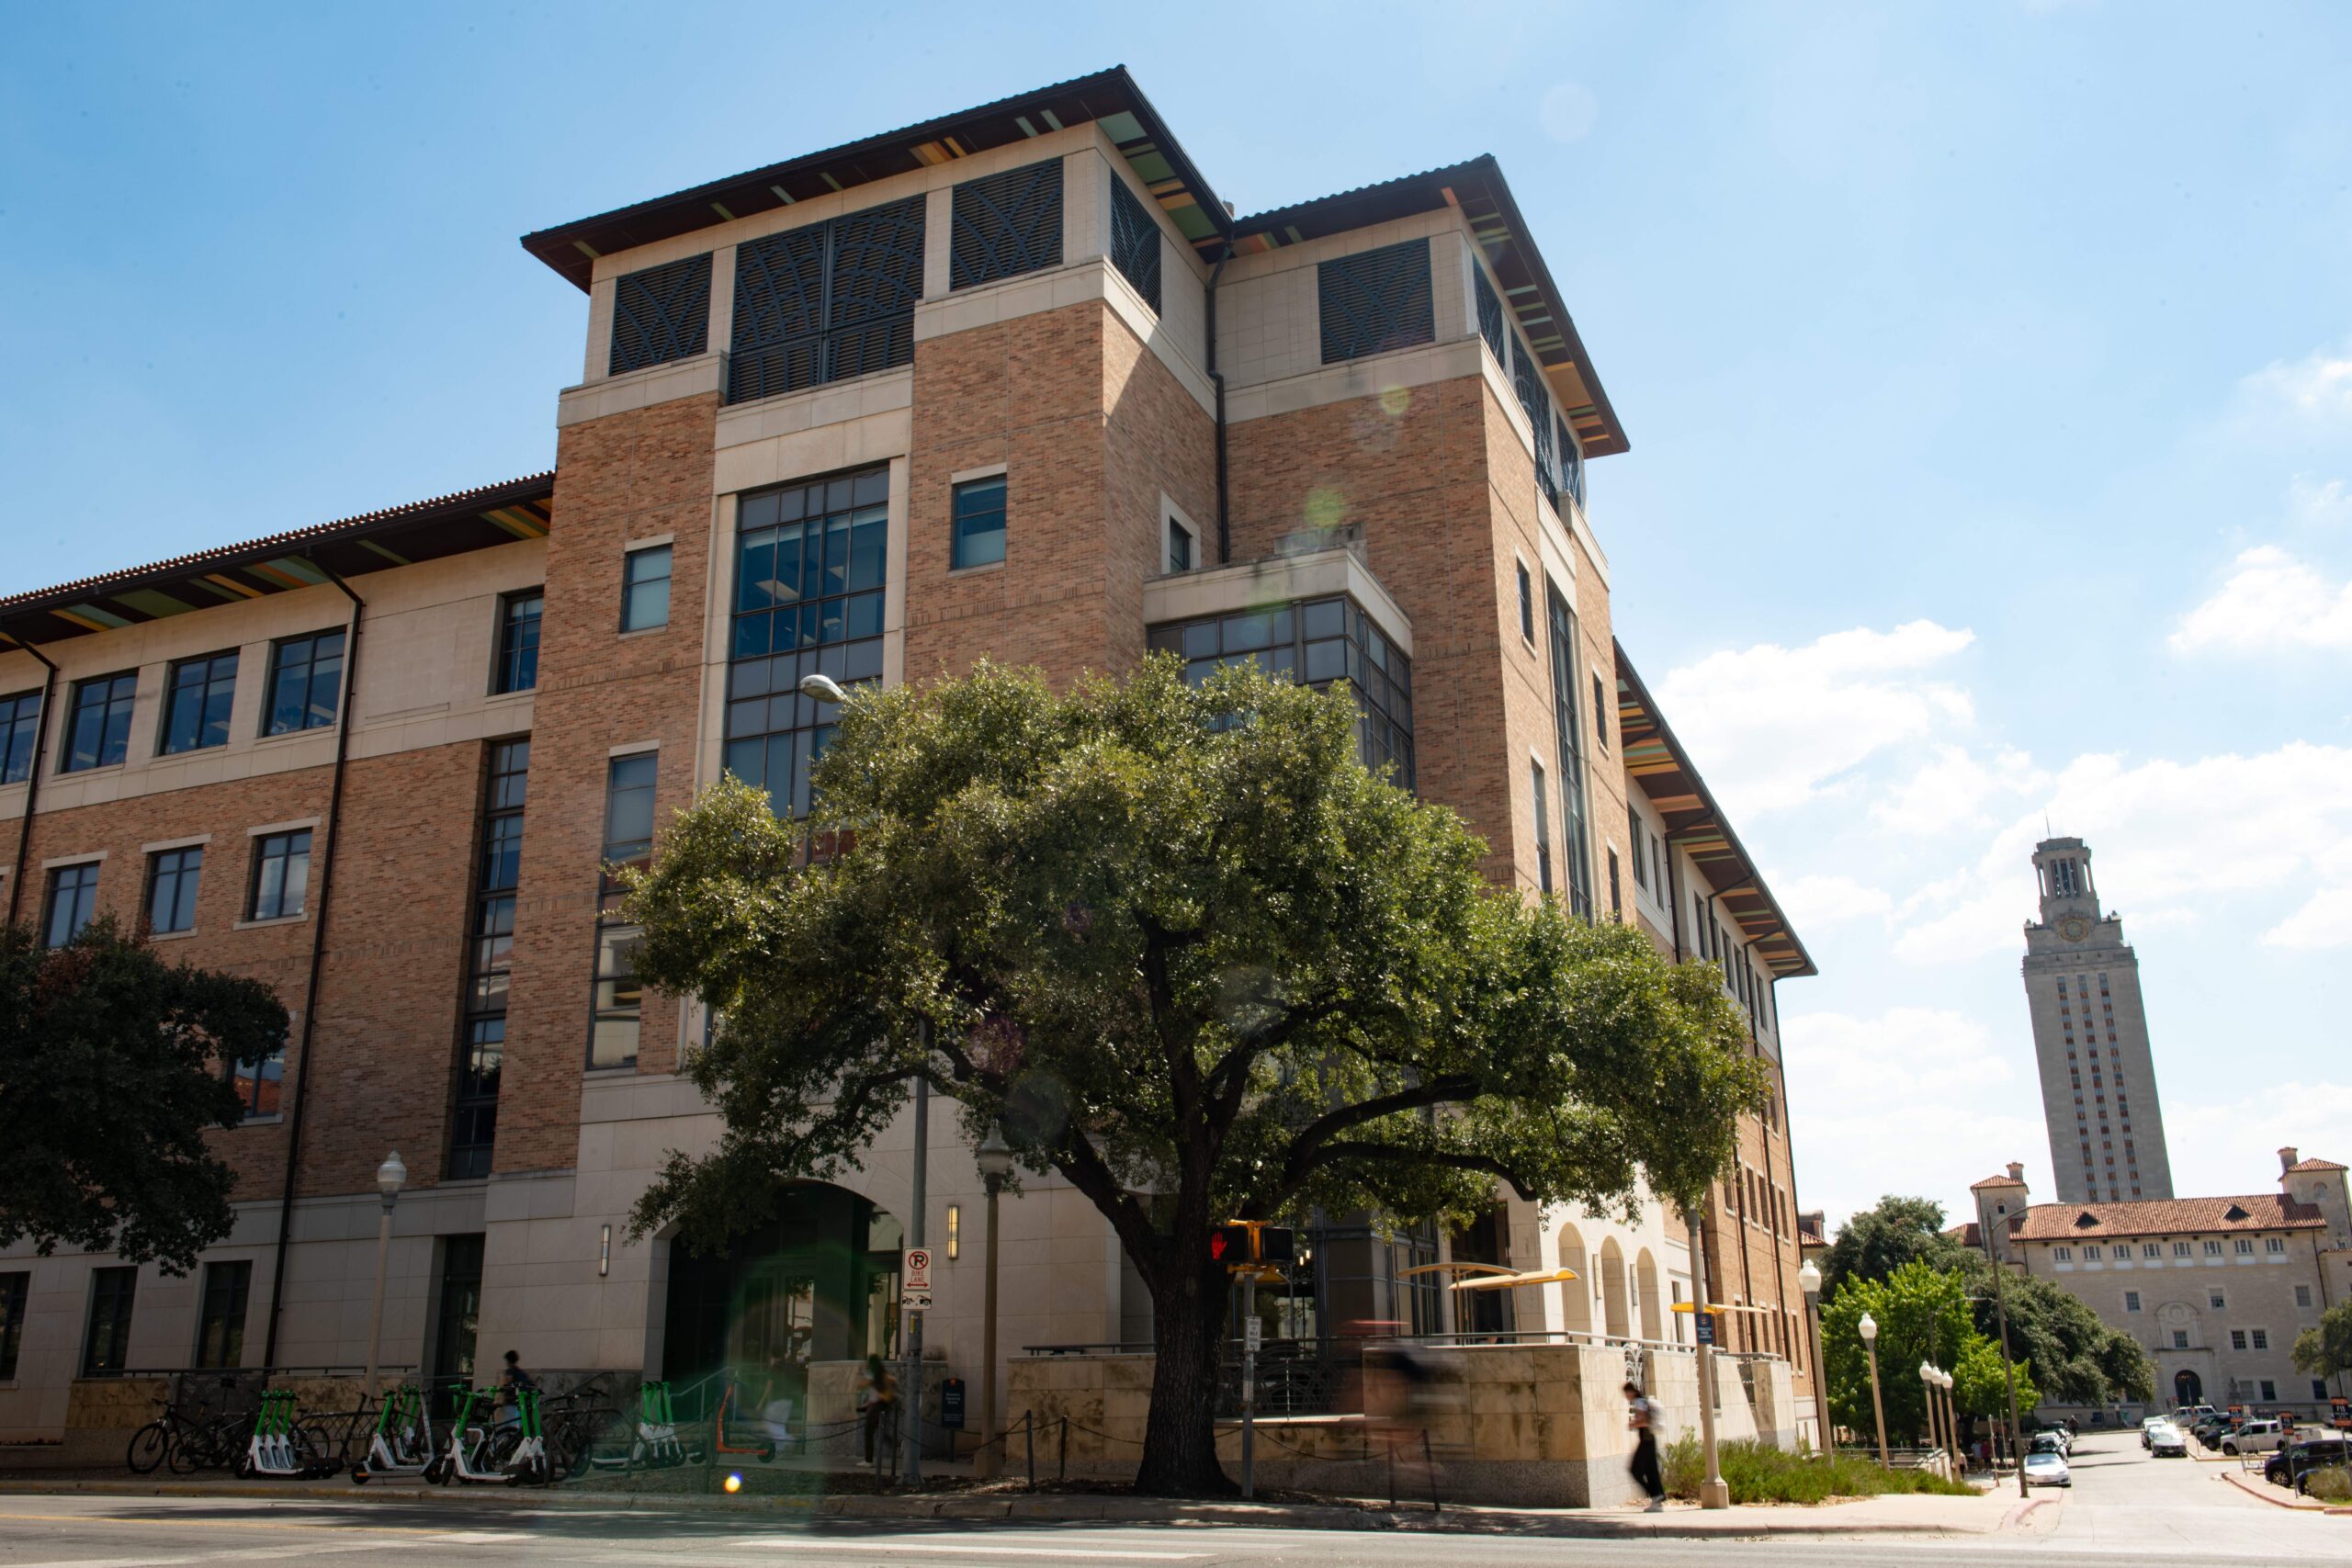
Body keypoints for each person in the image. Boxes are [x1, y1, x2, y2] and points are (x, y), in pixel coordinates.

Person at [1624, 1380, 1666, 1511]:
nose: (1626, 1397)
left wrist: (1632, 1424)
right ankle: (1657, 1500)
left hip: (1646, 1440)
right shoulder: (1642, 1400)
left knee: (1635, 1470)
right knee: (1651, 1470)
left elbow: (1644, 1421)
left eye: (1626, 1393)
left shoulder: (1638, 1402)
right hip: (1650, 1439)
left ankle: (1655, 1495)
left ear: (1630, 1392)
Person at [857, 1353, 899, 1467]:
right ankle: (899, 1445)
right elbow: (875, 1394)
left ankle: (868, 1460)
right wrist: (866, 1405)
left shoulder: (873, 1374)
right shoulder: (881, 1374)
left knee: (869, 1432)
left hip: (879, 1406)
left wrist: (862, 1372)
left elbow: (863, 1385)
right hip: (884, 1405)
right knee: (882, 1432)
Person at [496, 1350, 536, 1431]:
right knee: (517, 1425)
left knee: (506, 1426)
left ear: (508, 1361)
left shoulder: (510, 1371)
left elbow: (506, 1384)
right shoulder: (521, 1373)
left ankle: (499, 1438)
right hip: (522, 1403)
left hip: (511, 1403)